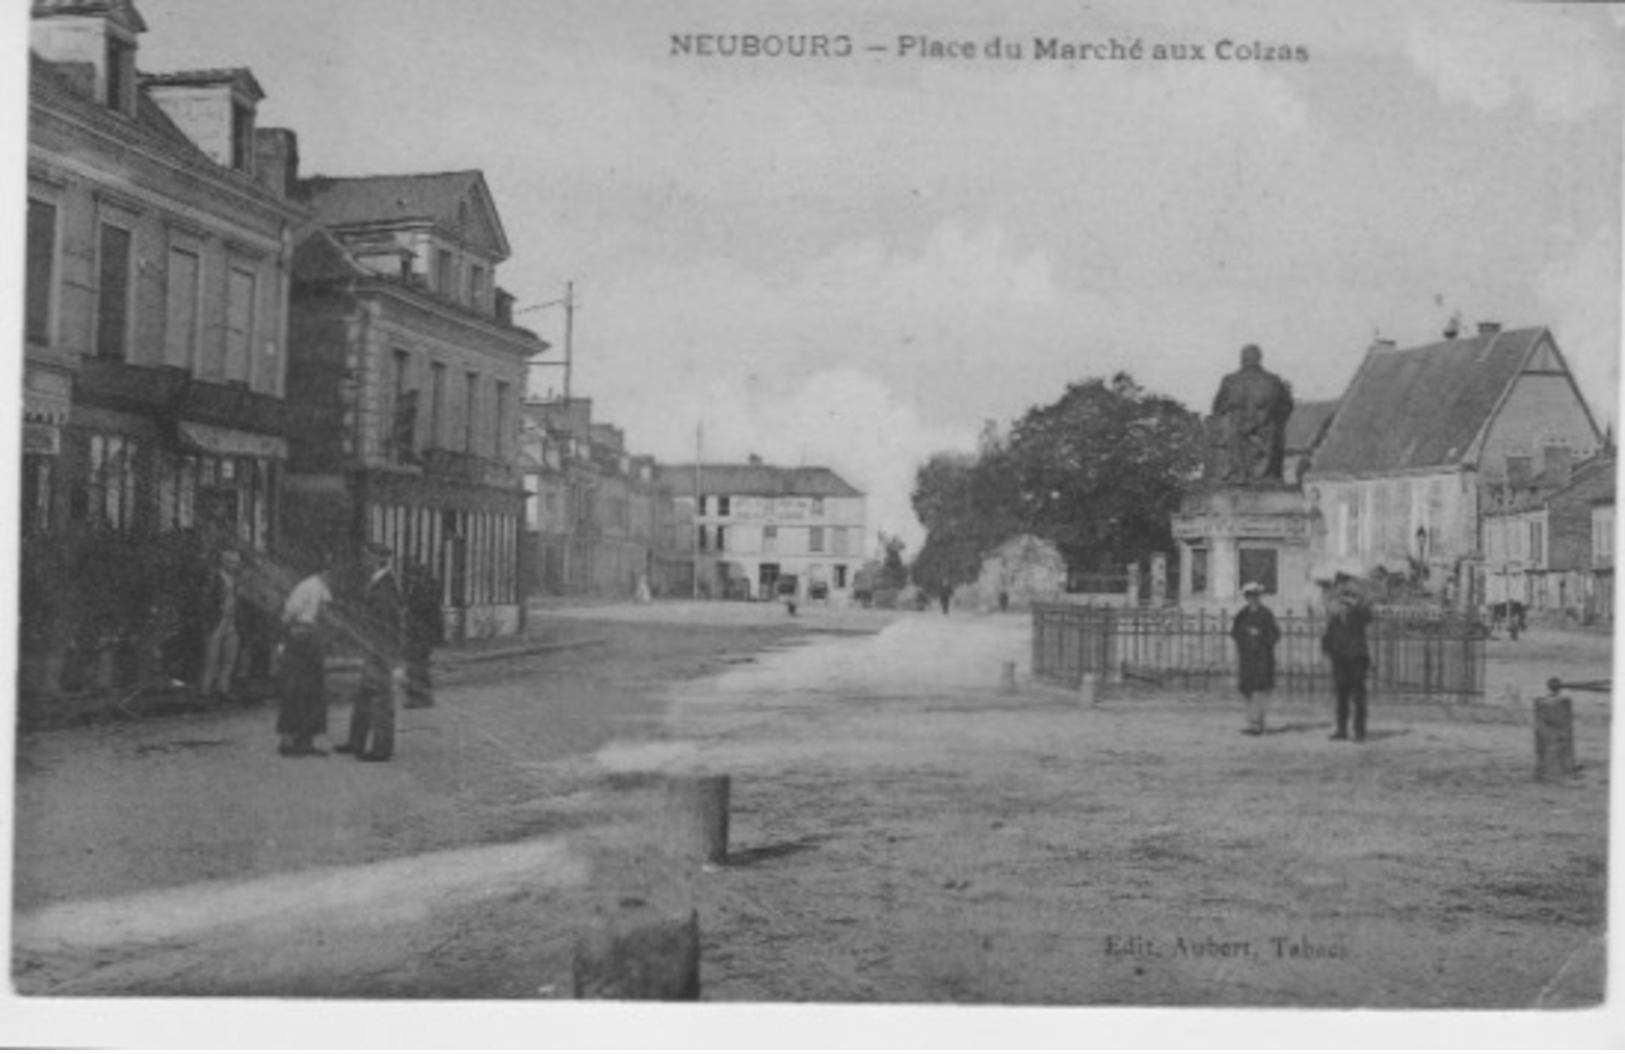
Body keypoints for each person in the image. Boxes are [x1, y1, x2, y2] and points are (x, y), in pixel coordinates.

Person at [335, 543, 407, 762]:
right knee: (364, 696)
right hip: (373, 647)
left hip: (379, 650)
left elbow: (385, 624)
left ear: (377, 560)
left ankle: (382, 749)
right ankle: (356, 742)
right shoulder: (377, 582)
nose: (364, 561)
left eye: (367, 557)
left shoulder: (385, 586)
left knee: (381, 699)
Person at [1211, 344, 1295, 485]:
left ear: (1242, 359)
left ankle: (1235, 474)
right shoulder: (1273, 381)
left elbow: (1217, 409)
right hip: (1266, 441)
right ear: (1259, 359)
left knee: (1229, 430)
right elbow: (1287, 406)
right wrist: (1270, 420)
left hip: (1236, 442)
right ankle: (1265, 475)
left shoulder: (1230, 381)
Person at [277, 556, 335, 757]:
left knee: (314, 689)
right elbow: (289, 612)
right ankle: (289, 739)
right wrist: (293, 632)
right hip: (302, 636)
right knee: (297, 687)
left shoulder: (323, 588)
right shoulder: (306, 587)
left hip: (314, 637)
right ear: (324, 571)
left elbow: (326, 613)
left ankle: (307, 738)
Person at [1322, 574, 1374, 743]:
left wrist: (1358, 601)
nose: (1344, 606)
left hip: (1357, 660)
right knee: (1341, 697)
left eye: (1347, 603)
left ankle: (1359, 731)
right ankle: (1342, 729)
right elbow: (1327, 638)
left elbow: (1368, 615)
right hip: (1340, 662)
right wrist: (1327, 654)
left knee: (1358, 698)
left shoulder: (1359, 617)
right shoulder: (1334, 620)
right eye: (1342, 603)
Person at [1231, 582, 1280, 735]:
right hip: (1247, 658)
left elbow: (1275, 634)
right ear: (1247, 598)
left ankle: (1257, 723)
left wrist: (1260, 635)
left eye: (1256, 596)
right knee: (1247, 690)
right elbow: (1234, 632)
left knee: (1260, 690)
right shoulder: (1242, 614)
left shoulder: (1266, 614)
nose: (1253, 599)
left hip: (1262, 658)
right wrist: (1246, 634)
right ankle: (1252, 721)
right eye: (1250, 596)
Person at [198, 548, 244, 702]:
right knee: (211, 659)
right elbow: (205, 601)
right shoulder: (214, 578)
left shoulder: (236, 579)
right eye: (231, 562)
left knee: (229, 658)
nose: (234, 565)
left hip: (231, 620)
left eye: (236, 562)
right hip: (217, 621)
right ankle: (205, 692)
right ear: (223, 562)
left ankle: (222, 690)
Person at [402, 559, 445, 709]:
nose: (410, 578)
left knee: (416, 667)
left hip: (420, 634)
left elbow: (425, 613)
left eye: (412, 575)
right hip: (422, 634)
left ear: (418, 576)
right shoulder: (425, 588)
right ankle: (424, 697)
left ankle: (420, 698)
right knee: (419, 666)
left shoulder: (422, 590)